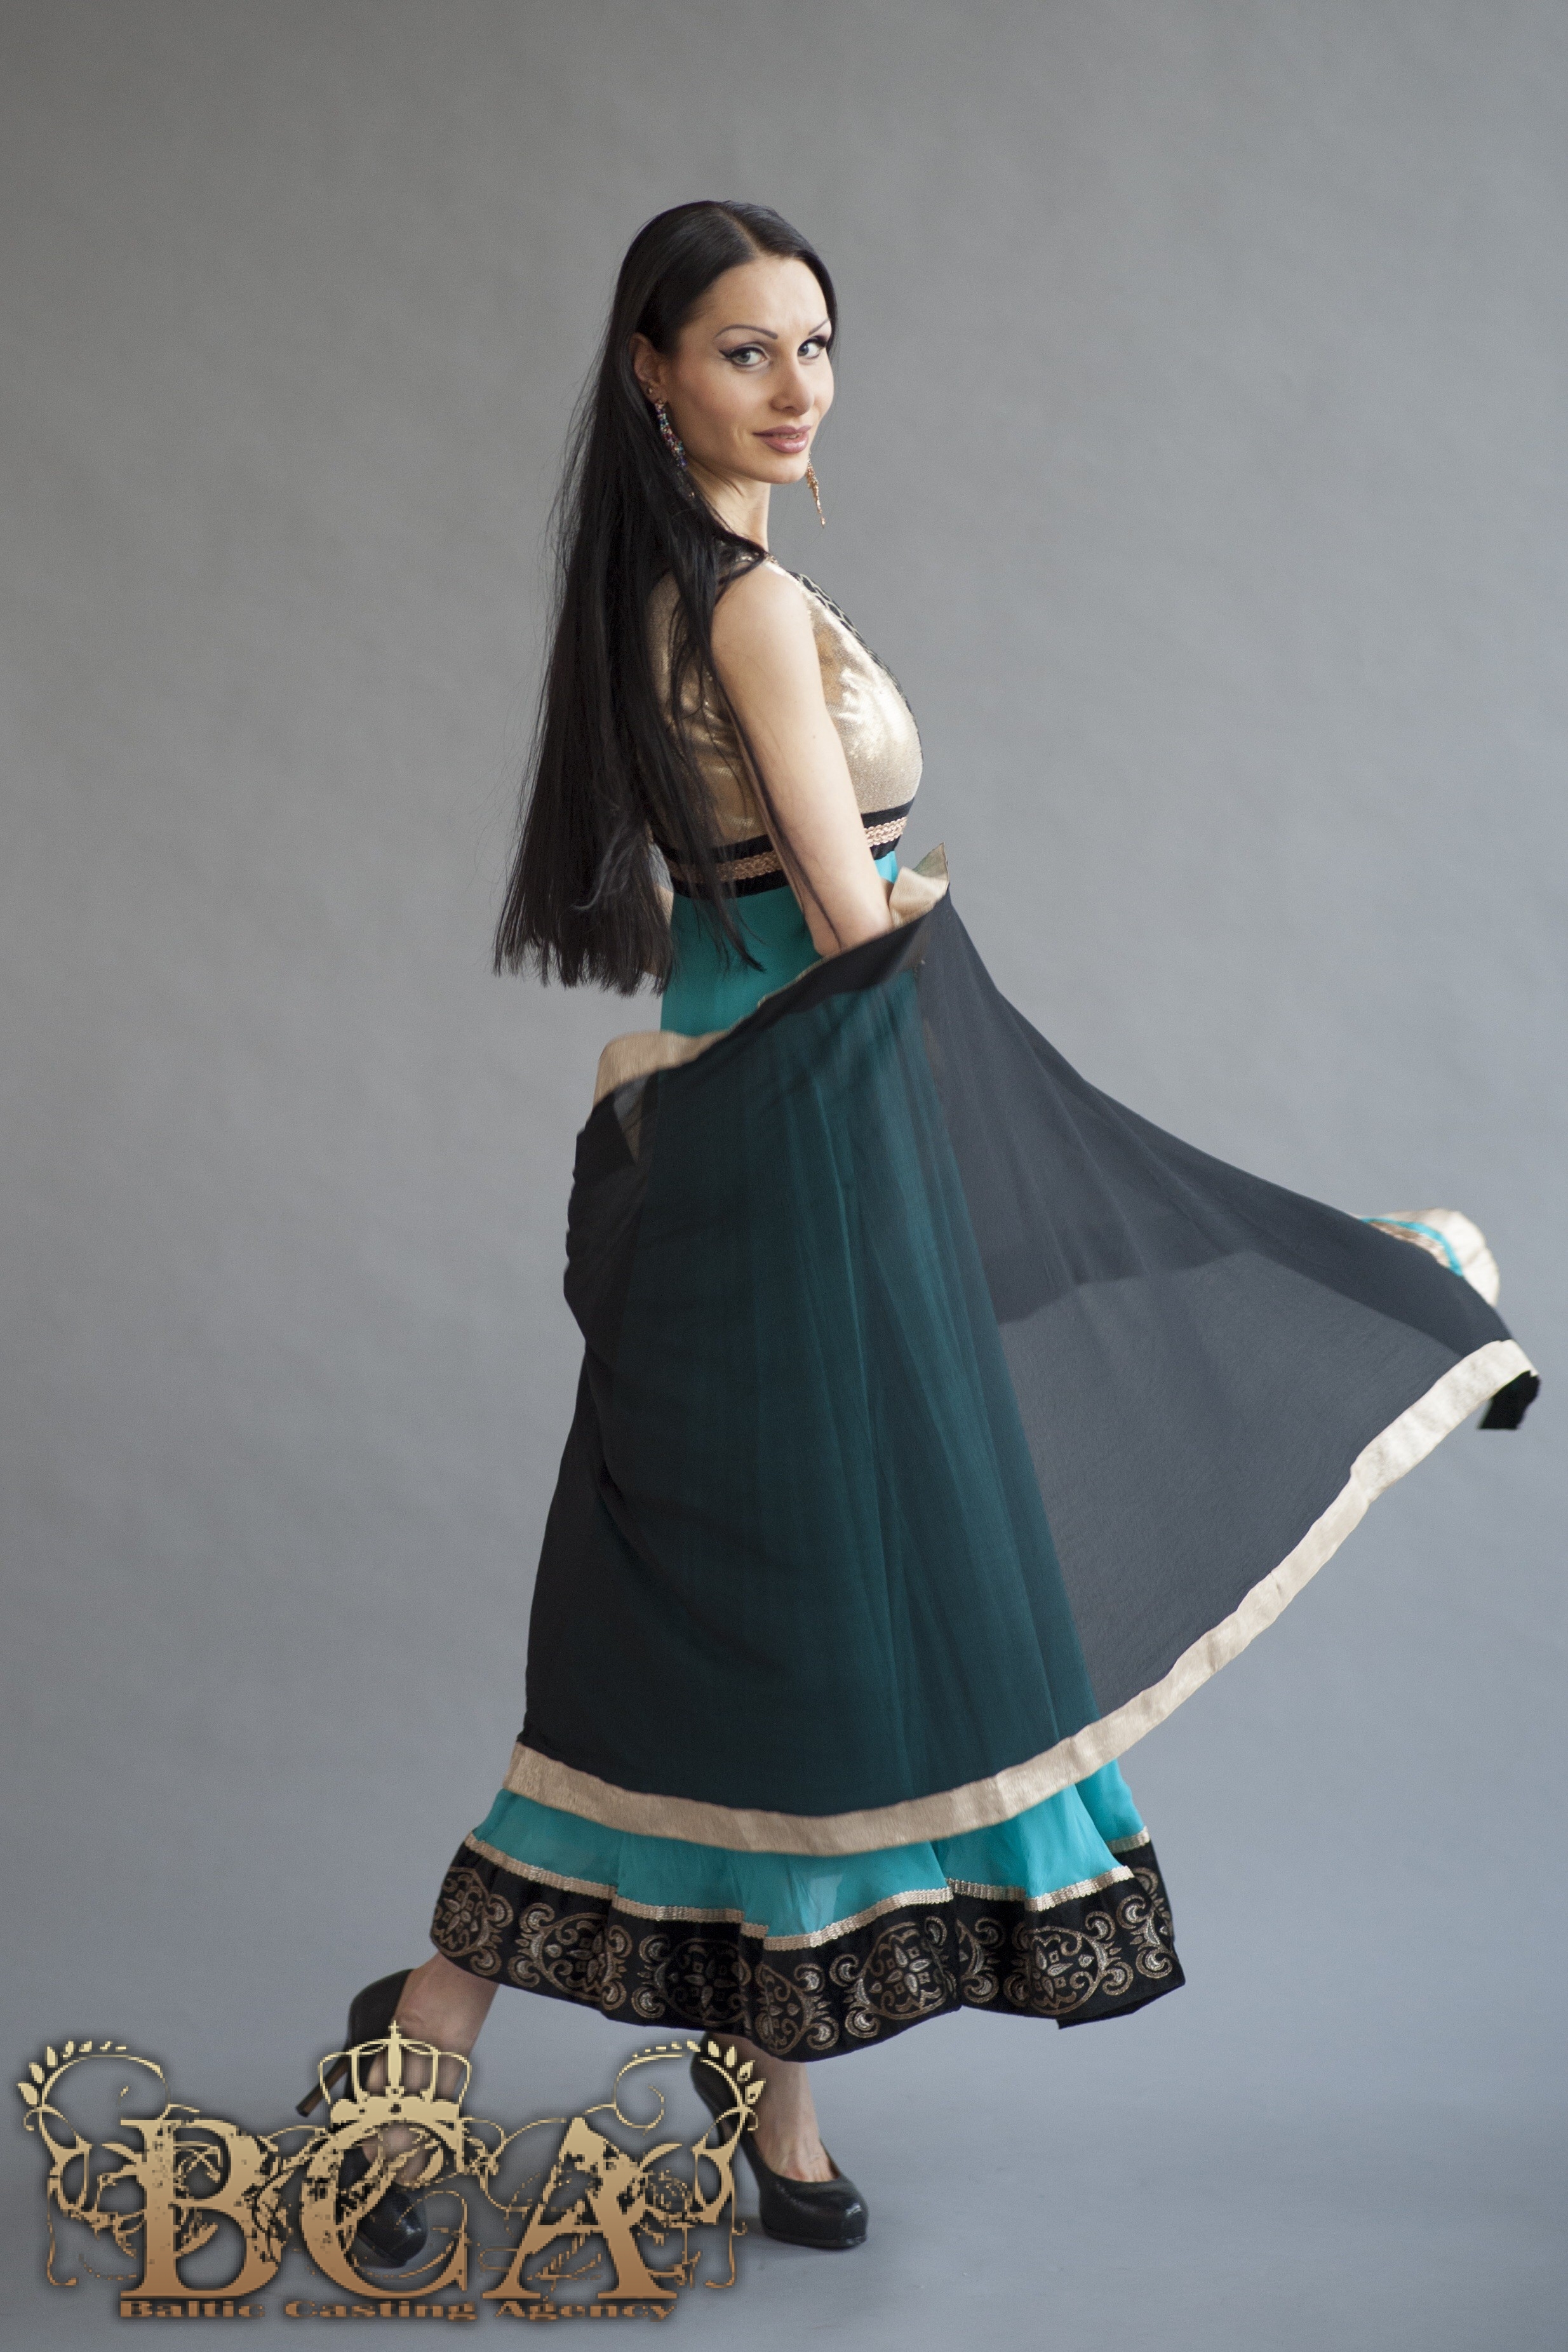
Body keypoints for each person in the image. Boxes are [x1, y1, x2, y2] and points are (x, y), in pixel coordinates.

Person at [300, 201, 1536, 2264]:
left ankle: (762, 2087)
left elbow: (755, 925)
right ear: (650, 372)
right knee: (774, 1614)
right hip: (805, 1138)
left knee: (791, 1615)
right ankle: (429, 2017)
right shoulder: (745, 611)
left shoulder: (663, 594)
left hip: (749, 1125)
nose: (796, 391)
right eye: (744, 351)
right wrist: (1054, 1121)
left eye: (816, 346)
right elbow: (848, 922)